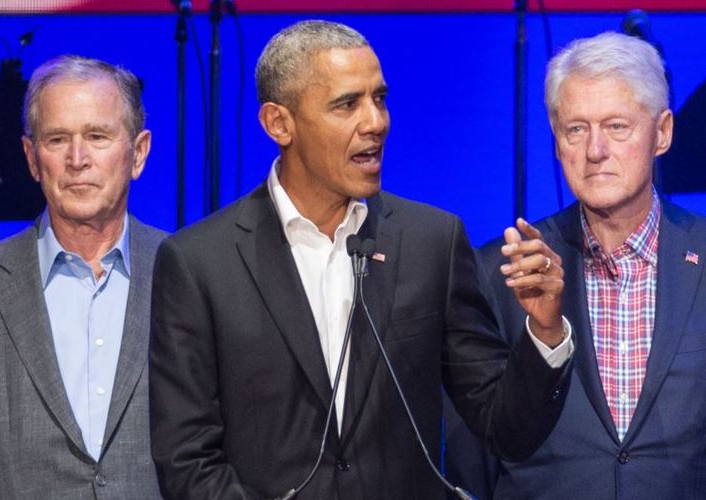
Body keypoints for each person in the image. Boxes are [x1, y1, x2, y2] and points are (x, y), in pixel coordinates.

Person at [149, 20, 573, 500]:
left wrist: (544, 333)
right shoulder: (200, 262)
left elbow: (504, 428)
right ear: (278, 124)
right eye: (347, 104)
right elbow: (187, 461)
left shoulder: (430, 240)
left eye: (380, 98)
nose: (376, 122)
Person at [473, 31, 705, 498]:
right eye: (576, 129)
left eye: (617, 127)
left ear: (662, 133)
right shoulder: (500, 271)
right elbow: (476, 449)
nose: (595, 150)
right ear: (557, 142)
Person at [0, 55, 166, 499]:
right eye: (57, 140)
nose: (77, 159)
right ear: (32, 159)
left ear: (139, 152)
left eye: (97, 136)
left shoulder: (187, 272)